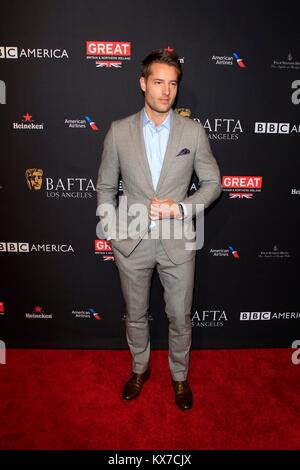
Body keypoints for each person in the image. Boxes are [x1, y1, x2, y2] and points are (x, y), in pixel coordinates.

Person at [96, 49, 221, 411]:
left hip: (178, 241)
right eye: (158, 82)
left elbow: (213, 183)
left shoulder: (193, 132)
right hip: (131, 242)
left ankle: (179, 377)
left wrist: (181, 207)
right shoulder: (119, 132)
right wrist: (111, 229)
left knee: (180, 316)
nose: (165, 91)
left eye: (172, 83)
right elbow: (105, 186)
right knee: (134, 313)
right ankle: (140, 369)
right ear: (143, 84)